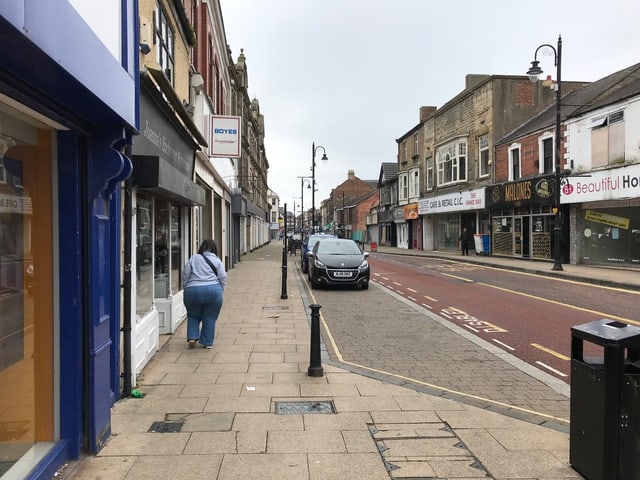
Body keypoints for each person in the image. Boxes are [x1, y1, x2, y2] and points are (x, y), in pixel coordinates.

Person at [182, 239, 227, 349]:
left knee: (193, 315)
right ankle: (207, 343)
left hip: (192, 291)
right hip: (213, 290)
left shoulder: (193, 258)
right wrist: (220, 289)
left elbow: (185, 275)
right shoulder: (217, 260)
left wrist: (186, 287)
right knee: (210, 317)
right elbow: (223, 277)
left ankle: (192, 337)